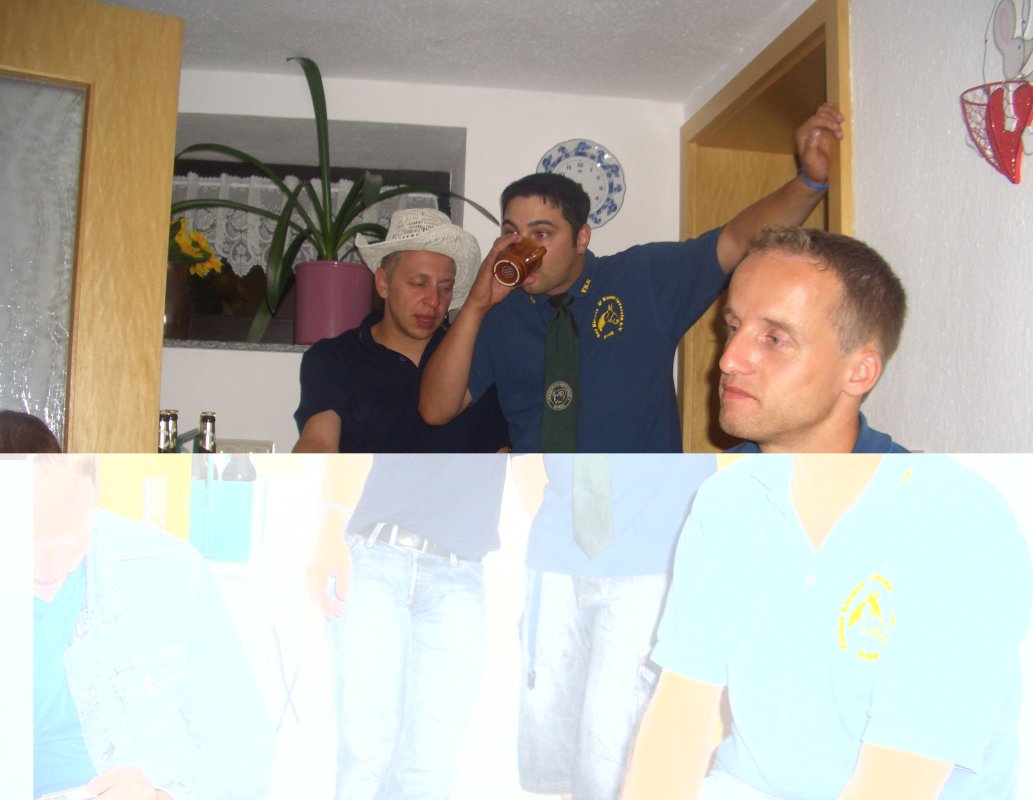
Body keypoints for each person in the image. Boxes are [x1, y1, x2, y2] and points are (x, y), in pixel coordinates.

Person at [419, 105, 845, 452]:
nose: (523, 246)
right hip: (543, 512)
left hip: (644, 510)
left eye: (542, 233)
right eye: (512, 232)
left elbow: (734, 241)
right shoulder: (500, 314)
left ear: (581, 237)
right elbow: (436, 410)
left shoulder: (642, 279)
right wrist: (475, 306)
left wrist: (811, 182)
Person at [623, 454, 1032, 800]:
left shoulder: (955, 518)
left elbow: (895, 784)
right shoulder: (730, 496)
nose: (728, 372)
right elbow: (679, 716)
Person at [32, 455, 273, 799]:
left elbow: (241, 741)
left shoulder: (168, 571)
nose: (47, 569)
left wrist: (164, 797)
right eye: (24, 544)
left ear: (95, 496)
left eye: (68, 545)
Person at [305, 453, 508, 800]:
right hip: (374, 555)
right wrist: (327, 533)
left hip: (460, 574)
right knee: (364, 755)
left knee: (431, 768)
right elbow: (350, 444)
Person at [516, 453, 715, 800]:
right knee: (554, 762)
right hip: (558, 556)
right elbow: (527, 455)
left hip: (651, 561)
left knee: (611, 762)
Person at [293, 207, 508, 453]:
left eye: (445, 288)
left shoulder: (474, 357)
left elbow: (499, 454)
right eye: (418, 284)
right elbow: (318, 442)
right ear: (383, 283)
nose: (433, 300)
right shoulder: (335, 358)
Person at [719, 226, 907, 453]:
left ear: (860, 372)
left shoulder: (919, 478)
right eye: (733, 327)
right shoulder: (702, 476)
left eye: (775, 339)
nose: (728, 361)